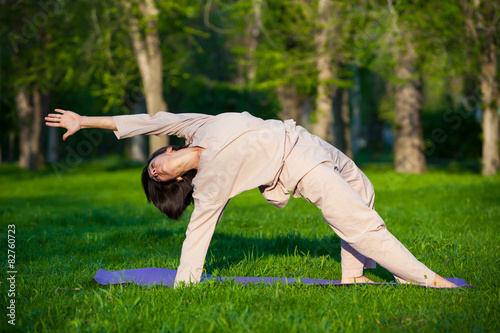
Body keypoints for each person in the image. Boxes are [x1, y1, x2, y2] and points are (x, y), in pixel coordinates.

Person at [45, 109, 457, 288]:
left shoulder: (198, 127)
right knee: (360, 224)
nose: (156, 171)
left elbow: (150, 120)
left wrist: (86, 122)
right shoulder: (207, 184)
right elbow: (198, 231)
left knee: (364, 189)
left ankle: (353, 275)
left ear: (166, 152)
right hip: (300, 167)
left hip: (308, 140)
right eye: (156, 179)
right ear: (176, 178)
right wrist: (186, 281)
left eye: (153, 166)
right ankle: (427, 279)